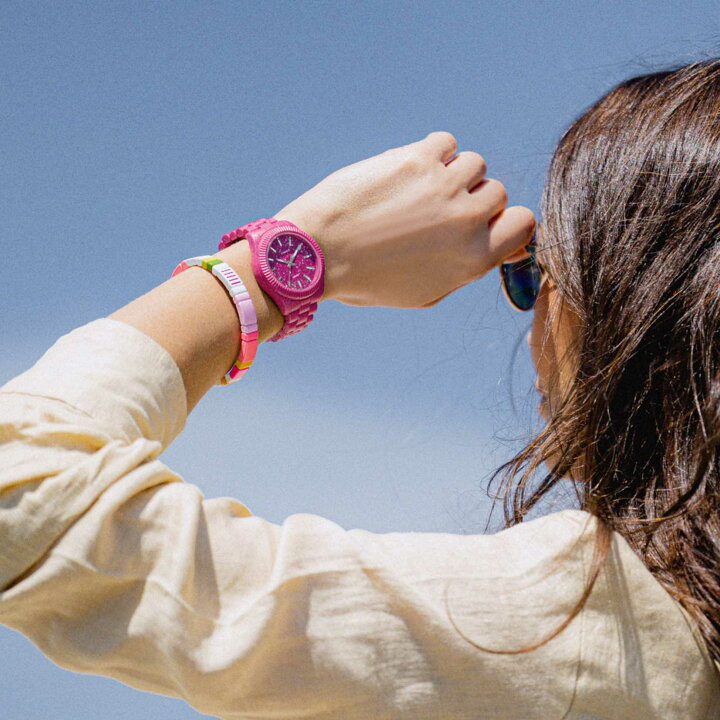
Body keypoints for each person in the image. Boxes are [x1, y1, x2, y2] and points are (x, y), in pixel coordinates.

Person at [1, 57, 719, 720]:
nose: (528, 324)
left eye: (536, 273)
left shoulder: (598, 624)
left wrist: (291, 257)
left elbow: (26, 494)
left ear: (642, 305)